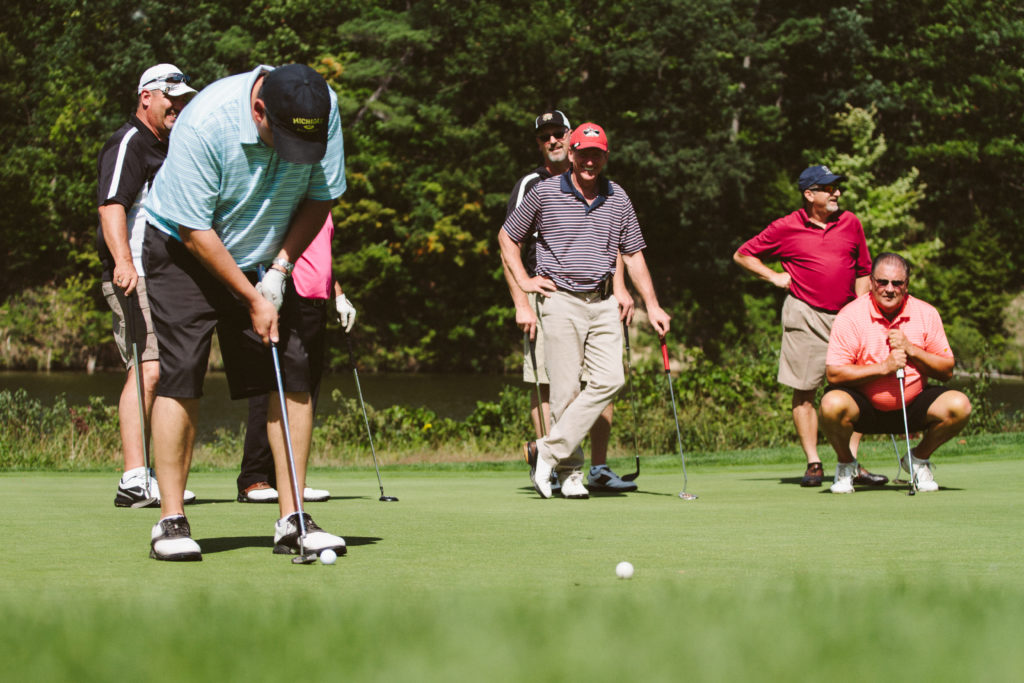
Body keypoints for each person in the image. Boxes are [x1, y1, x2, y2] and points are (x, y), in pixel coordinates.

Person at [141, 63, 348, 561]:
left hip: (263, 254)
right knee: (182, 369)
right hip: (183, 249)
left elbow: (321, 197)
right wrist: (253, 298)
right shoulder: (205, 123)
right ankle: (170, 520)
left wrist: (279, 271)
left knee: (292, 370)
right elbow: (195, 232)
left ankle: (292, 515)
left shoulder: (322, 109)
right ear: (259, 111)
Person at [499, 122, 671, 499]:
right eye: (584, 154)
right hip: (559, 300)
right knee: (562, 393)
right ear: (573, 155)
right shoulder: (544, 192)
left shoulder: (618, 197)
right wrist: (525, 284)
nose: (590, 161)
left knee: (610, 380)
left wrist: (653, 305)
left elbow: (633, 253)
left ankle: (546, 450)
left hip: (604, 300)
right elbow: (507, 237)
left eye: (598, 155)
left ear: (605, 157)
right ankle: (571, 472)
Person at [733, 164, 887, 488]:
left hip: (846, 317)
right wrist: (774, 276)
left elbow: (863, 269)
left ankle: (850, 462)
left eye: (837, 188)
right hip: (804, 315)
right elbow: (743, 255)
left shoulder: (850, 223)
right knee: (804, 391)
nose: (837, 193)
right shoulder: (786, 226)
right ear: (809, 194)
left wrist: (860, 309)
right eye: (828, 188)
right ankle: (813, 462)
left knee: (855, 391)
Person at [96, 63, 197, 508]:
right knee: (148, 368)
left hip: (161, 277)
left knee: (161, 371)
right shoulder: (130, 143)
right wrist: (123, 262)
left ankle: (150, 477)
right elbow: (111, 205)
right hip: (133, 271)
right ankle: (134, 479)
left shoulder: (165, 146)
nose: (178, 105)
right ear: (146, 97)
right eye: (170, 97)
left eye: (182, 98)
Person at [819, 252, 972, 493]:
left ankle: (917, 459)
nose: (889, 289)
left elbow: (947, 371)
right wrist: (884, 368)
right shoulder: (850, 315)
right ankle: (847, 463)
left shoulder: (926, 313)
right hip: (864, 407)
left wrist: (912, 350)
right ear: (871, 282)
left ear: (906, 285)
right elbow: (834, 374)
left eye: (897, 283)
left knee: (960, 405)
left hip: (912, 405)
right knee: (830, 404)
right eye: (882, 282)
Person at [236, 214, 356, 504]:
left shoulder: (322, 206)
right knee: (274, 386)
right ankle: (254, 477)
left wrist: (337, 293)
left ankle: (288, 480)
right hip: (287, 296)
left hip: (317, 302)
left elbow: (322, 256)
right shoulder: (290, 197)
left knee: (305, 389)